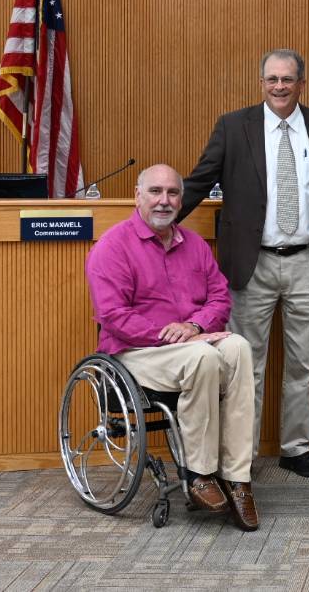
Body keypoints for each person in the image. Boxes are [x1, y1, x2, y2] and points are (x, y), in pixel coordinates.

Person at [180, 49, 309, 479]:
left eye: (288, 79)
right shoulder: (234, 127)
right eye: (272, 79)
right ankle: (243, 452)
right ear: (261, 83)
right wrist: (154, 219)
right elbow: (200, 180)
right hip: (250, 264)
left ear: (302, 83)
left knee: (304, 363)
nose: (279, 86)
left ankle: (296, 447)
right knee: (244, 365)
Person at [85, 164, 259, 531]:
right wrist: (176, 336)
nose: (164, 201)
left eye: (172, 193)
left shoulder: (194, 245)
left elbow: (219, 297)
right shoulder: (113, 247)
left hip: (191, 344)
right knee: (202, 356)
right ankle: (199, 473)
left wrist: (194, 326)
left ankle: (237, 476)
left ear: (182, 199)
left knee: (239, 347)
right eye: (155, 191)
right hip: (135, 353)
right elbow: (113, 314)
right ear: (137, 196)